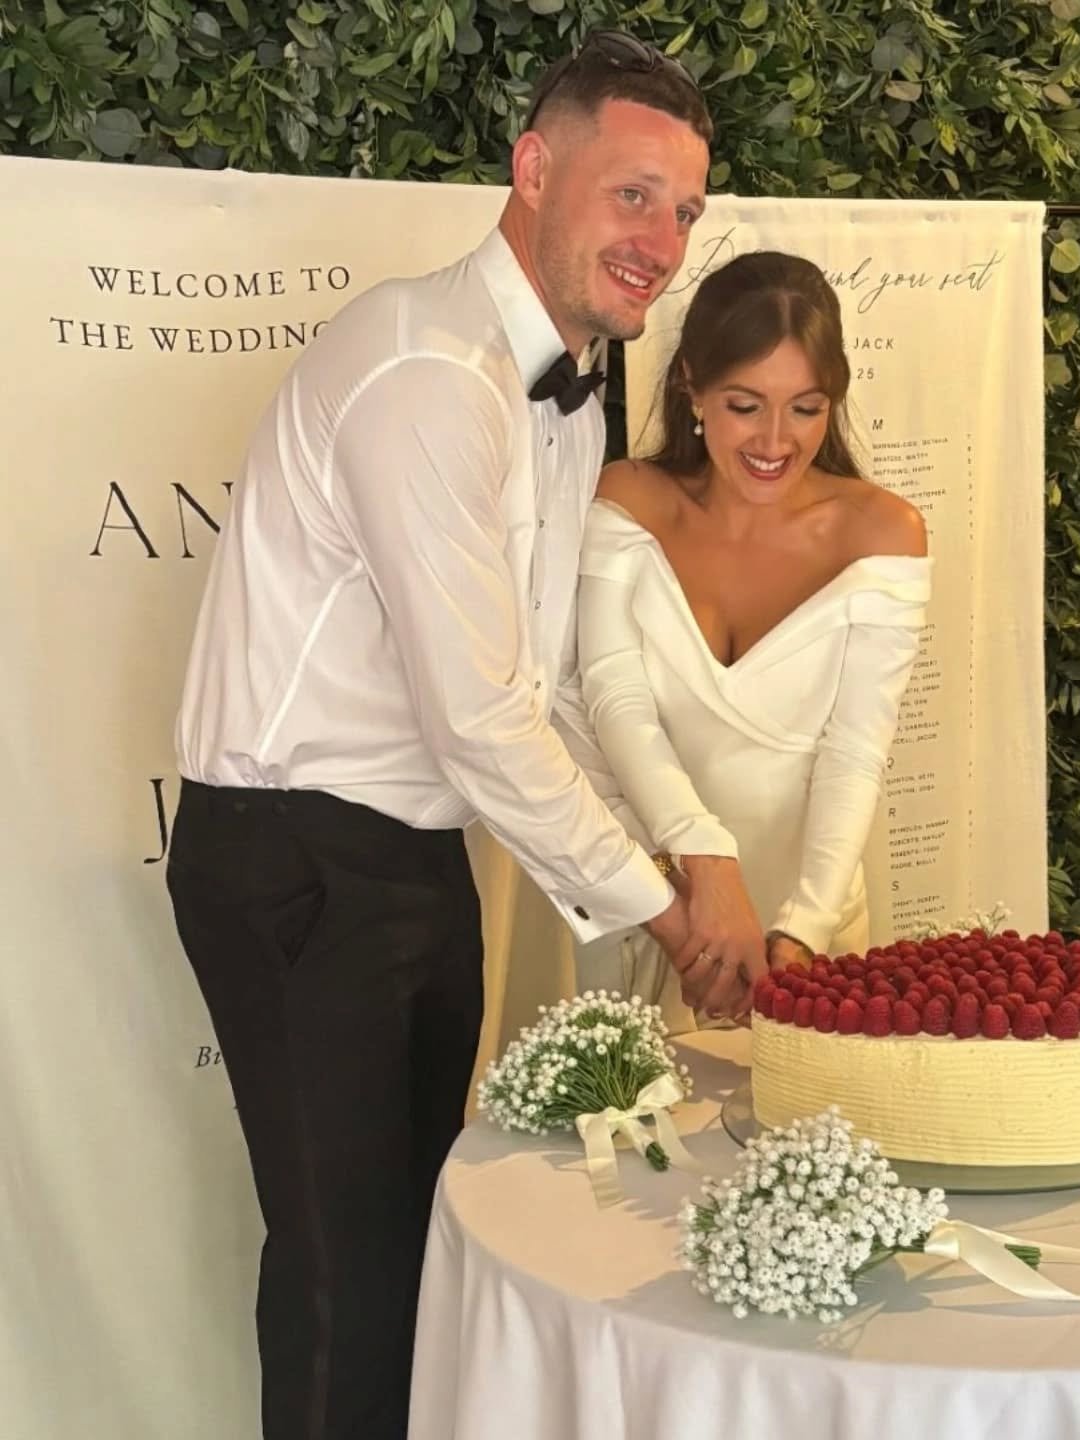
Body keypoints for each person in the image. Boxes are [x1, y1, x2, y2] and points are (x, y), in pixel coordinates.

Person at [164, 32, 763, 1440]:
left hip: (410, 856)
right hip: (296, 860)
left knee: (418, 1258)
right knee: (344, 1281)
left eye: (685, 210)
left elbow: (537, 683)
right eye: (633, 196)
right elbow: (483, 717)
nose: (663, 241)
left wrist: (686, 851)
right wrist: (670, 920)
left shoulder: (567, 378)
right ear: (534, 169)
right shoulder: (428, 368)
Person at [573, 251, 931, 1029]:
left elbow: (855, 749)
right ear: (691, 387)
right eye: (745, 404)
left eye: (805, 407)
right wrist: (701, 879)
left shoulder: (885, 533)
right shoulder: (629, 499)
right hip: (657, 910)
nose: (776, 439)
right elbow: (613, 697)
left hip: (813, 915)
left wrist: (800, 934)